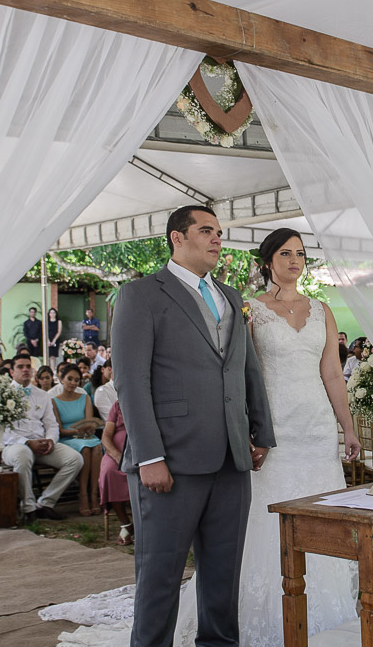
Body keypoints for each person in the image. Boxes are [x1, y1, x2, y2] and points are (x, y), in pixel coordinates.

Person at [172, 227, 361, 646]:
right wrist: (252, 431)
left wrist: (346, 427)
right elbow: (241, 374)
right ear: (268, 260)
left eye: (300, 254)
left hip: (315, 430)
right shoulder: (248, 309)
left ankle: (326, 617)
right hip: (273, 430)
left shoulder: (323, 309)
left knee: (322, 517)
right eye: (286, 253)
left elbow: (331, 372)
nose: (295, 261)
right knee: (265, 519)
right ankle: (258, 618)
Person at [113, 204, 276, 647]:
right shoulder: (141, 295)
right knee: (159, 579)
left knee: (223, 580)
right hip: (170, 461)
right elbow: (131, 379)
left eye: (219, 232)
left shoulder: (231, 297)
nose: (217, 239)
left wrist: (259, 432)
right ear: (176, 238)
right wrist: (149, 455)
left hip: (231, 460)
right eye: (206, 231)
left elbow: (247, 370)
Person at [0, 355, 83, 522]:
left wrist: (50, 440)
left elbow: (51, 424)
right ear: (11, 372)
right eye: (20, 367)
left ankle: (45, 503)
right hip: (14, 445)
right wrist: (27, 442)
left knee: (75, 459)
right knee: (23, 455)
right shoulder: (2, 395)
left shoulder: (42, 395)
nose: (25, 370)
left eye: (28, 367)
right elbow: (2, 430)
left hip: (41, 443)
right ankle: (28, 507)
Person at [52, 364, 103, 516]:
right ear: (61, 379)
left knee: (97, 446)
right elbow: (59, 429)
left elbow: (88, 422)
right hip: (68, 437)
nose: (73, 383)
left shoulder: (85, 398)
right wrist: (74, 431)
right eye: (69, 379)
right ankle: (83, 495)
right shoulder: (54, 401)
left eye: (77, 380)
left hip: (85, 436)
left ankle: (94, 494)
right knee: (86, 449)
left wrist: (89, 427)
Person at [99, 400, 132, 544]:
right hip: (116, 451)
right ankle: (126, 524)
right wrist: (117, 455)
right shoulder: (118, 405)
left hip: (140, 450)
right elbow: (106, 435)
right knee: (109, 472)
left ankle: (143, 524)